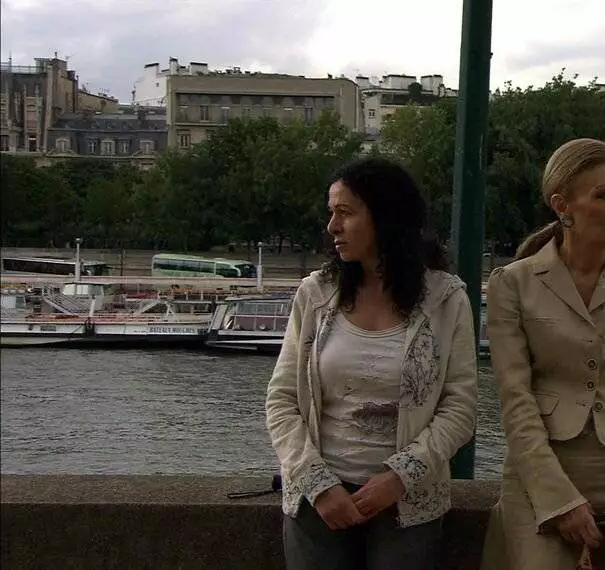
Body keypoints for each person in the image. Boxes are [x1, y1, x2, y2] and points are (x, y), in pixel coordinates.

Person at [266, 157, 478, 570]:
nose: (332, 227)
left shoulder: (446, 299)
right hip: (318, 503)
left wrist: (400, 477)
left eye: (345, 213)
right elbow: (281, 399)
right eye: (331, 213)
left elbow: (460, 407)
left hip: (409, 504)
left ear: (385, 216)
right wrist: (317, 483)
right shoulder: (315, 294)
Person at [480, 138, 605, 570]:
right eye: (603, 195)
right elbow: (516, 400)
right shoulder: (513, 284)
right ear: (561, 205)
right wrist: (558, 500)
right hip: (540, 476)